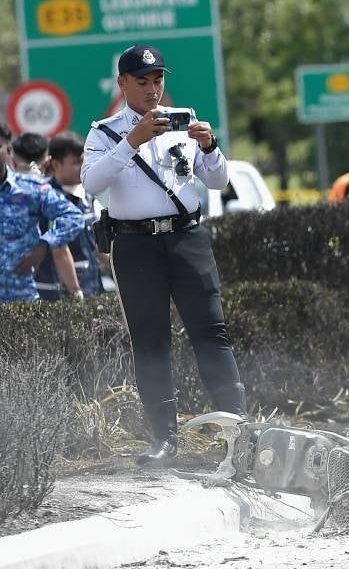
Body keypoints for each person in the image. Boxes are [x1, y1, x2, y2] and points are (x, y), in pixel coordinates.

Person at [81, 44, 248, 465]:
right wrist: (131, 142)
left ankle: (239, 433)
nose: (152, 90)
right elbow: (92, 184)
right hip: (136, 244)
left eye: (157, 81)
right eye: (142, 82)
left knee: (211, 332)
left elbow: (217, 181)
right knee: (150, 340)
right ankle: (164, 441)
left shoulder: (183, 120)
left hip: (187, 237)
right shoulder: (103, 133)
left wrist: (210, 147)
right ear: (122, 84)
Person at [1, 142, 84, 303]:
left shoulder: (30, 188)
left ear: (8, 151)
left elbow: (73, 216)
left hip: (23, 300)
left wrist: (46, 243)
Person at [35, 132, 105, 301]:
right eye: (76, 162)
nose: (83, 167)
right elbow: (59, 250)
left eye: (83, 160)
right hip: (62, 296)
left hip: (92, 288)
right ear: (56, 164)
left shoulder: (87, 195)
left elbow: (99, 245)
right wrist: (75, 291)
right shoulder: (49, 199)